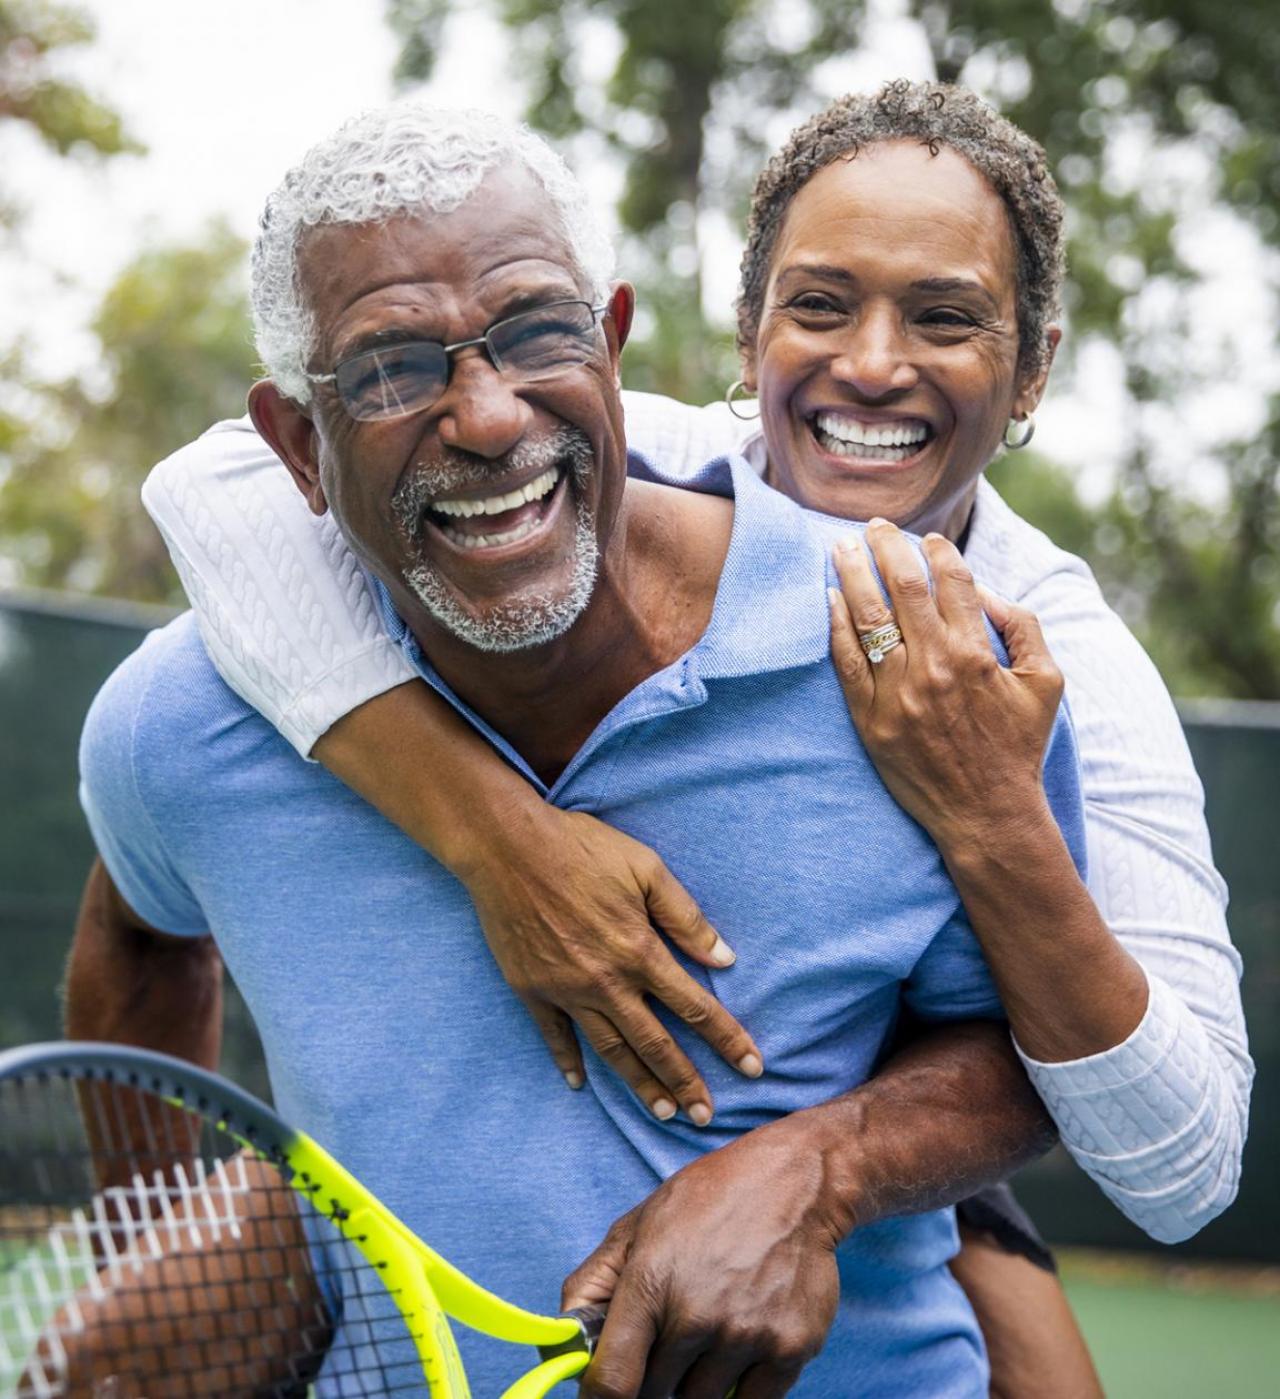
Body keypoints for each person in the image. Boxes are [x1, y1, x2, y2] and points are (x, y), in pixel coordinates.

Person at [135, 80, 1251, 1389]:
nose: (874, 362)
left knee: (1037, 1363)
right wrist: (501, 842)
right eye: (821, 305)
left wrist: (986, 827)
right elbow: (214, 484)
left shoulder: (1056, 654)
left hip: (919, 1089)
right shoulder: (600, 448)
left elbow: (1178, 1163)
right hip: (631, 1113)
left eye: (944, 317)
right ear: (746, 334)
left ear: (1033, 371)